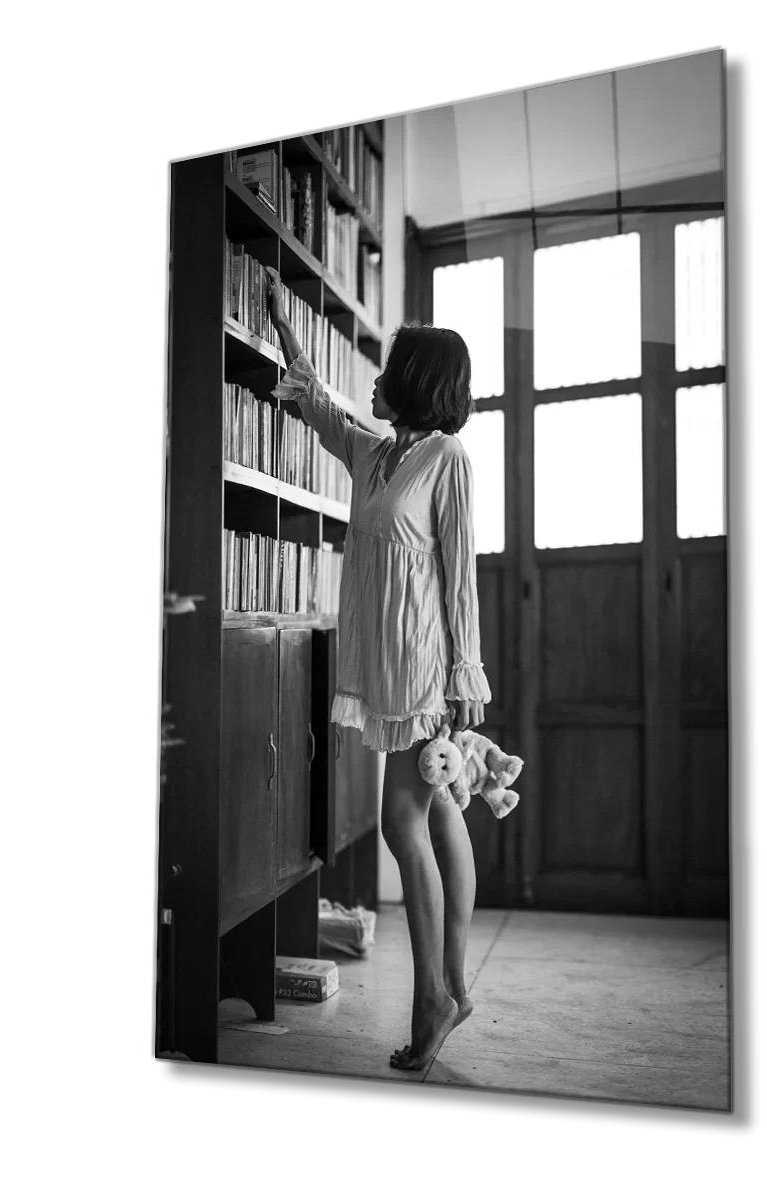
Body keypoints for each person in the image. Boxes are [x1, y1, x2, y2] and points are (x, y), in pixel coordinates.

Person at [266, 266, 491, 1071]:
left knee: (405, 820)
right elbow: (325, 412)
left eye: (392, 370)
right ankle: (454, 987)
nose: (378, 379)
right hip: (383, 662)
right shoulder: (379, 451)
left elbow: (460, 574)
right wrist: (295, 349)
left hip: (424, 669)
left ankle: (434, 994)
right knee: (437, 819)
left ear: (419, 384)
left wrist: (466, 677)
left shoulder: (446, 459)